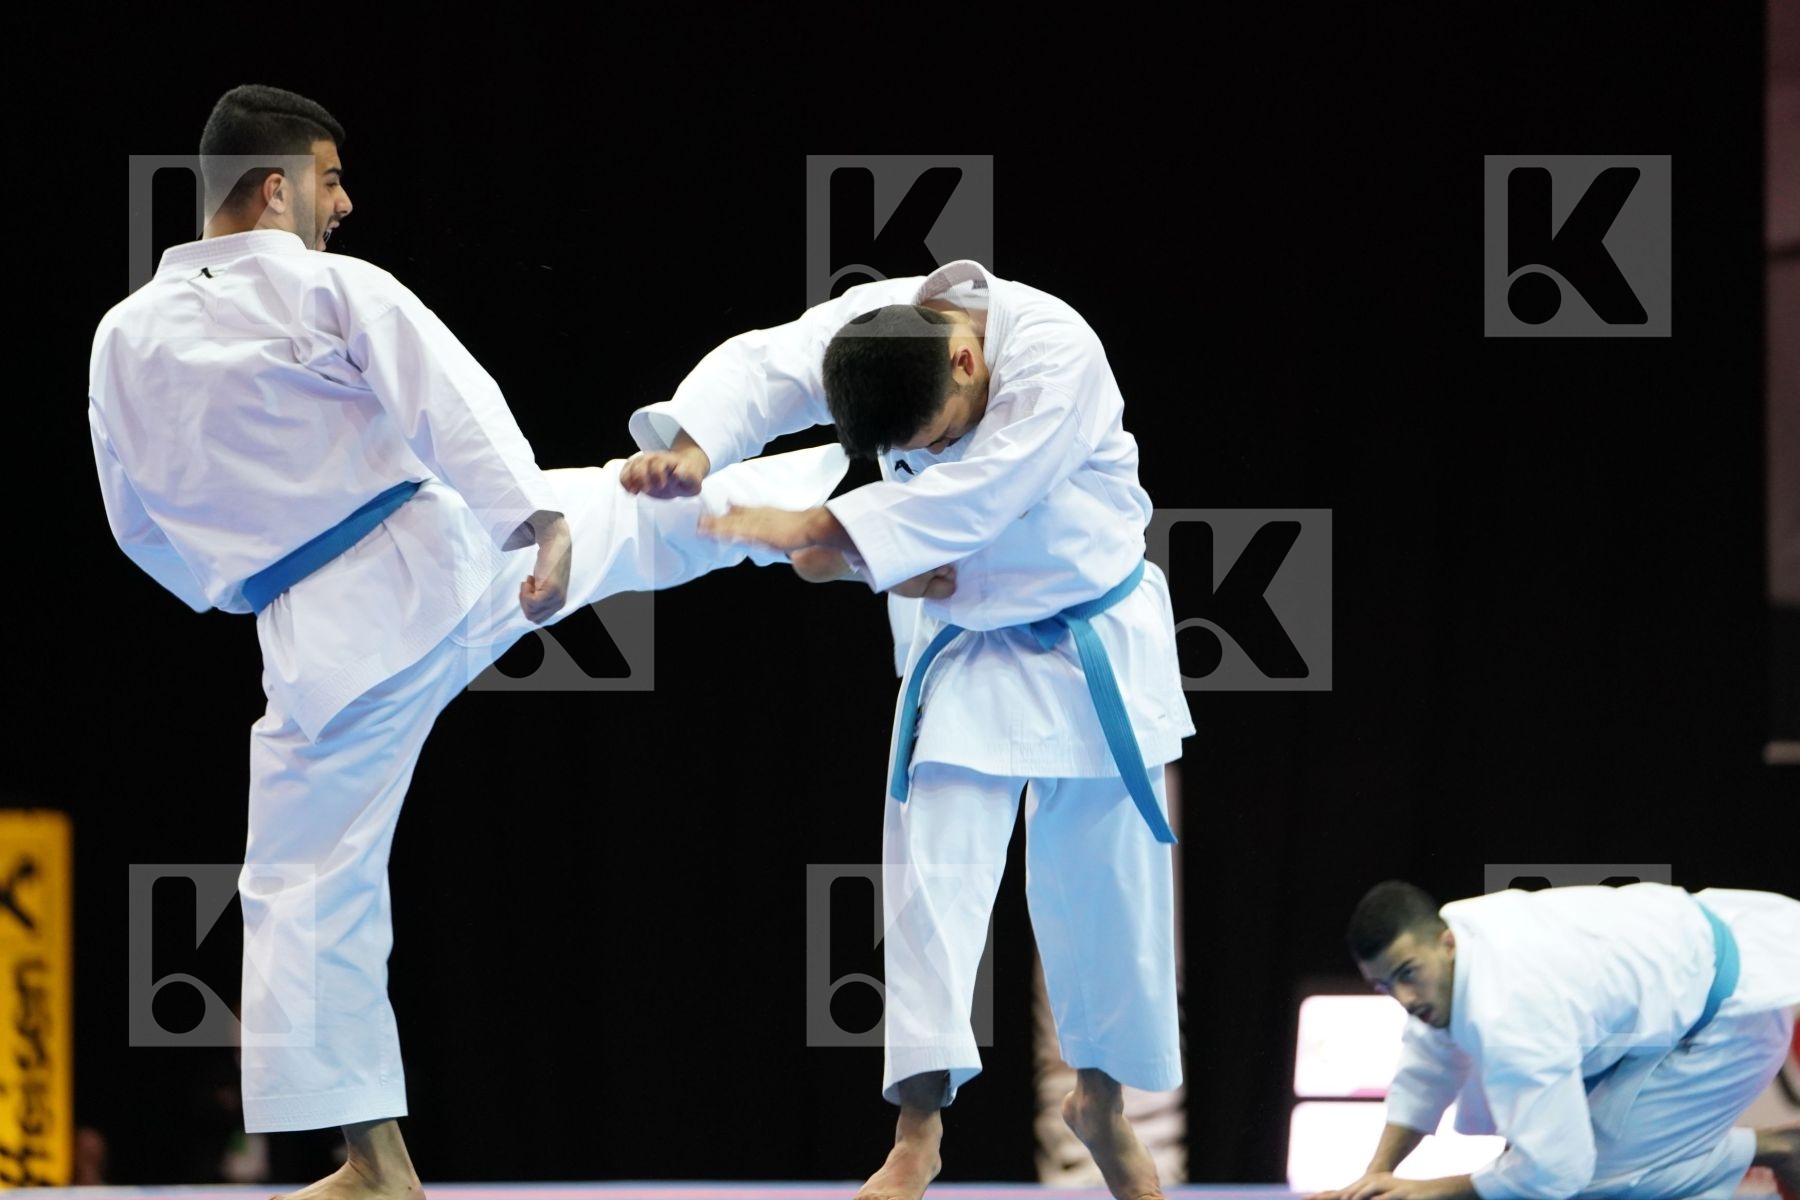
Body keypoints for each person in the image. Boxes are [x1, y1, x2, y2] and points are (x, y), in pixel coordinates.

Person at [88, 84, 846, 1200]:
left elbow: (135, 519)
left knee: (302, 885)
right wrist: (528, 521)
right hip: (435, 555)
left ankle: (373, 1162)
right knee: (627, 520)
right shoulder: (325, 285)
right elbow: (449, 398)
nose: (342, 201)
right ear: (271, 187)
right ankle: (844, 495)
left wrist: (233, 584)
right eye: (330, 177)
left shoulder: (122, 336)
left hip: (320, 638)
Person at [622, 261, 1194, 1200]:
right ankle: (916, 1135)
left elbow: (978, 498)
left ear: (969, 360)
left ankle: (1102, 1104)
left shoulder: (1059, 356)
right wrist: (694, 447)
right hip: (970, 644)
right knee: (932, 888)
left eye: (935, 437)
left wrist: (821, 527)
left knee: (1108, 896)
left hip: (1091, 633)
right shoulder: (880, 324)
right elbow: (770, 366)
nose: (928, 457)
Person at [1309, 880, 1800, 1200]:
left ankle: (1778, 1147)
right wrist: (1374, 1177)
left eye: (1406, 975)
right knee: (1553, 1160)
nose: (1403, 996)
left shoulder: (1514, 1009)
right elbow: (1426, 1067)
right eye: (1384, 985)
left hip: (1735, 1020)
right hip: (1673, 991)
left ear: (1446, 944)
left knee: (1600, 1181)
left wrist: (1432, 1190)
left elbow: (1558, 1171)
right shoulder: (1447, 941)